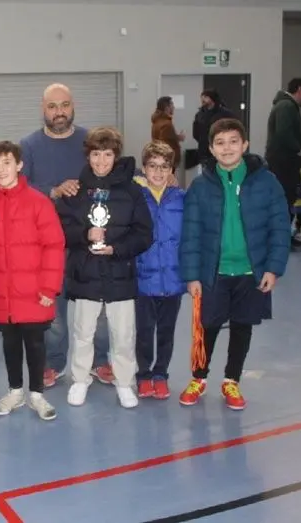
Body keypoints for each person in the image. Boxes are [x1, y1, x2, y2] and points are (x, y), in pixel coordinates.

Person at [179, 118, 290, 410]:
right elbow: (190, 234)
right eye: (220, 143)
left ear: (245, 145)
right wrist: (192, 276)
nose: (227, 148)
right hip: (212, 273)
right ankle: (199, 377)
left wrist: (273, 268)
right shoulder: (200, 187)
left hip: (250, 272)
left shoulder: (267, 182)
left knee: (242, 326)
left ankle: (232, 380)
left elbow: (280, 226)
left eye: (233, 141)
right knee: (208, 326)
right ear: (211, 149)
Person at [20, 83, 114, 389]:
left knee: (98, 305)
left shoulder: (90, 142)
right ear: (42, 109)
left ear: (73, 106)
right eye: (52, 106)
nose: (59, 112)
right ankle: (54, 362)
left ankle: (100, 360)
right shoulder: (28, 146)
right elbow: (20, 187)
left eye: (64, 105)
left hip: (89, 238)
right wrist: (53, 191)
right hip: (48, 242)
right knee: (53, 307)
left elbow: (111, 173)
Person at [56, 127, 153, 409]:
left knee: (123, 335)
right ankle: (80, 379)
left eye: (107, 154)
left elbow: (144, 234)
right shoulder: (75, 190)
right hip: (86, 274)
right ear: (88, 156)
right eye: (96, 154)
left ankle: (124, 382)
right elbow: (61, 230)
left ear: (116, 156)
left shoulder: (133, 191)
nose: (101, 161)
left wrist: (117, 249)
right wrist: (85, 234)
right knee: (83, 333)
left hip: (120, 273)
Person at [0, 140, 64, 421]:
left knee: (35, 343)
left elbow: (53, 247)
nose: (0, 170)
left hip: (34, 293)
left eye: (6, 163)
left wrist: (49, 287)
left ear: (19, 165)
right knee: (9, 343)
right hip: (2, 294)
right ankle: (15, 391)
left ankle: (36, 394)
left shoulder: (39, 203)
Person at [133, 141, 186, 400]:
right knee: (144, 332)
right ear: (143, 169)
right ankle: (143, 375)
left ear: (172, 170)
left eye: (164, 167)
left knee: (167, 332)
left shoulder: (182, 199)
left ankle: (161, 374)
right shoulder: (135, 197)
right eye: (152, 166)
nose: (158, 172)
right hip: (144, 280)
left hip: (173, 280)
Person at [265, 77, 301, 248]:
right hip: (283, 162)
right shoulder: (286, 106)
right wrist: (299, 149)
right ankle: (280, 238)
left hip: (283, 161)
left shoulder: (285, 105)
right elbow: (284, 132)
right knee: (283, 199)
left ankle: (284, 235)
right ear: (300, 89)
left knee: (286, 199)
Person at [192, 90, 235, 164]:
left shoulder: (225, 114)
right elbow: (196, 132)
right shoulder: (200, 114)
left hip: (221, 150)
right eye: (202, 97)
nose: (202, 99)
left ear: (212, 98)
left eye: (205, 97)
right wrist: (203, 141)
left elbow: (234, 129)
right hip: (204, 151)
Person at [151, 96, 185, 171]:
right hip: (167, 160)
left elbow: (167, 138)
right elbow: (166, 144)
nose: (174, 107)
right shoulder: (166, 124)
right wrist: (179, 138)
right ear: (167, 108)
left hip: (160, 158)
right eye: (172, 105)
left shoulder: (157, 121)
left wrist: (177, 137)